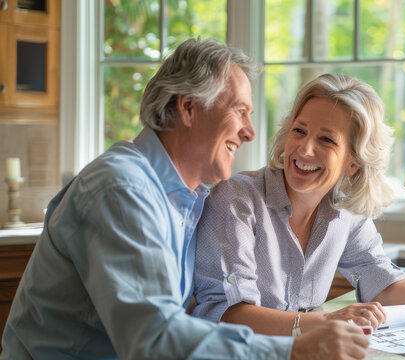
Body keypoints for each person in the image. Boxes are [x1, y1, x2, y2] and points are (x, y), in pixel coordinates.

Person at [1, 40, 368, 360]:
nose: (250, 133)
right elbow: (153, 339)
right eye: (240, 111)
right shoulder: (122, 190)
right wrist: (294, 348)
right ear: (188, 108)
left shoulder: (182, 198)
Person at [192, 73, 405, 336]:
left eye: (326, 140)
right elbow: (226, 314)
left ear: (352, 162)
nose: (304, 149)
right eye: (299, 131)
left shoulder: (345, 213)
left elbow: (381, 283)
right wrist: (323, 322)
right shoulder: (236, 200)